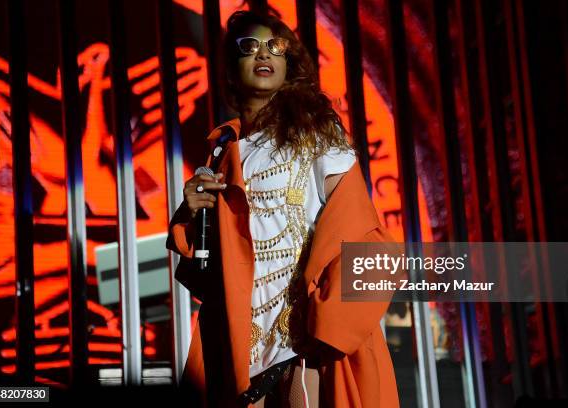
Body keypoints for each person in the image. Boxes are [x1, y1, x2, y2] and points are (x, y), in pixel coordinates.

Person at [166, 10, 399, 407]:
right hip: (242, 341)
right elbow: (208, 271)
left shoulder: (316, 134)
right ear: (231, 66)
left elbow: (361, 232)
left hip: (303, 338)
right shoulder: (223, 152)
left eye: (276, 47)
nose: (264, 54)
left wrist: (328, 321)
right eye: (250, 46)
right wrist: (192, 214)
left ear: (288, 64)